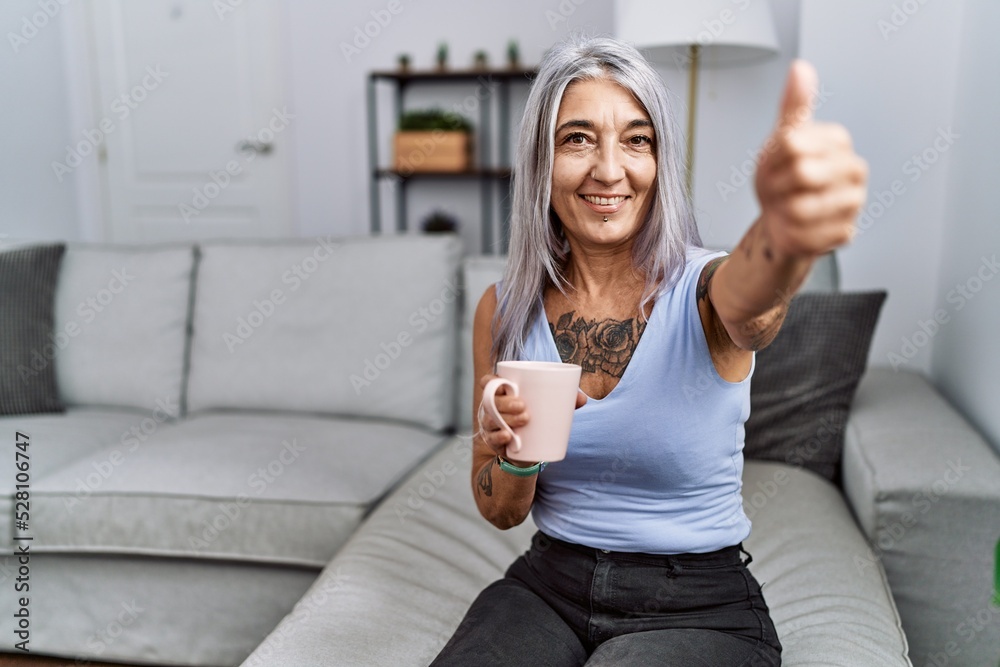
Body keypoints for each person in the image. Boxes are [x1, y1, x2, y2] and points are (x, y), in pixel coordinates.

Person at [431, 35, 867, 667]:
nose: (610, 170)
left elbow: (752, 307)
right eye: (577, 138)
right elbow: (499, 510)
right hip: (548, 584)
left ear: (660, 161)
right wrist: (518, 457)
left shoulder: (702, 288)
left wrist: (783, 239)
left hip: (697, 602)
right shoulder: (502, 309)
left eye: (637, 140)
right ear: (540, 160)